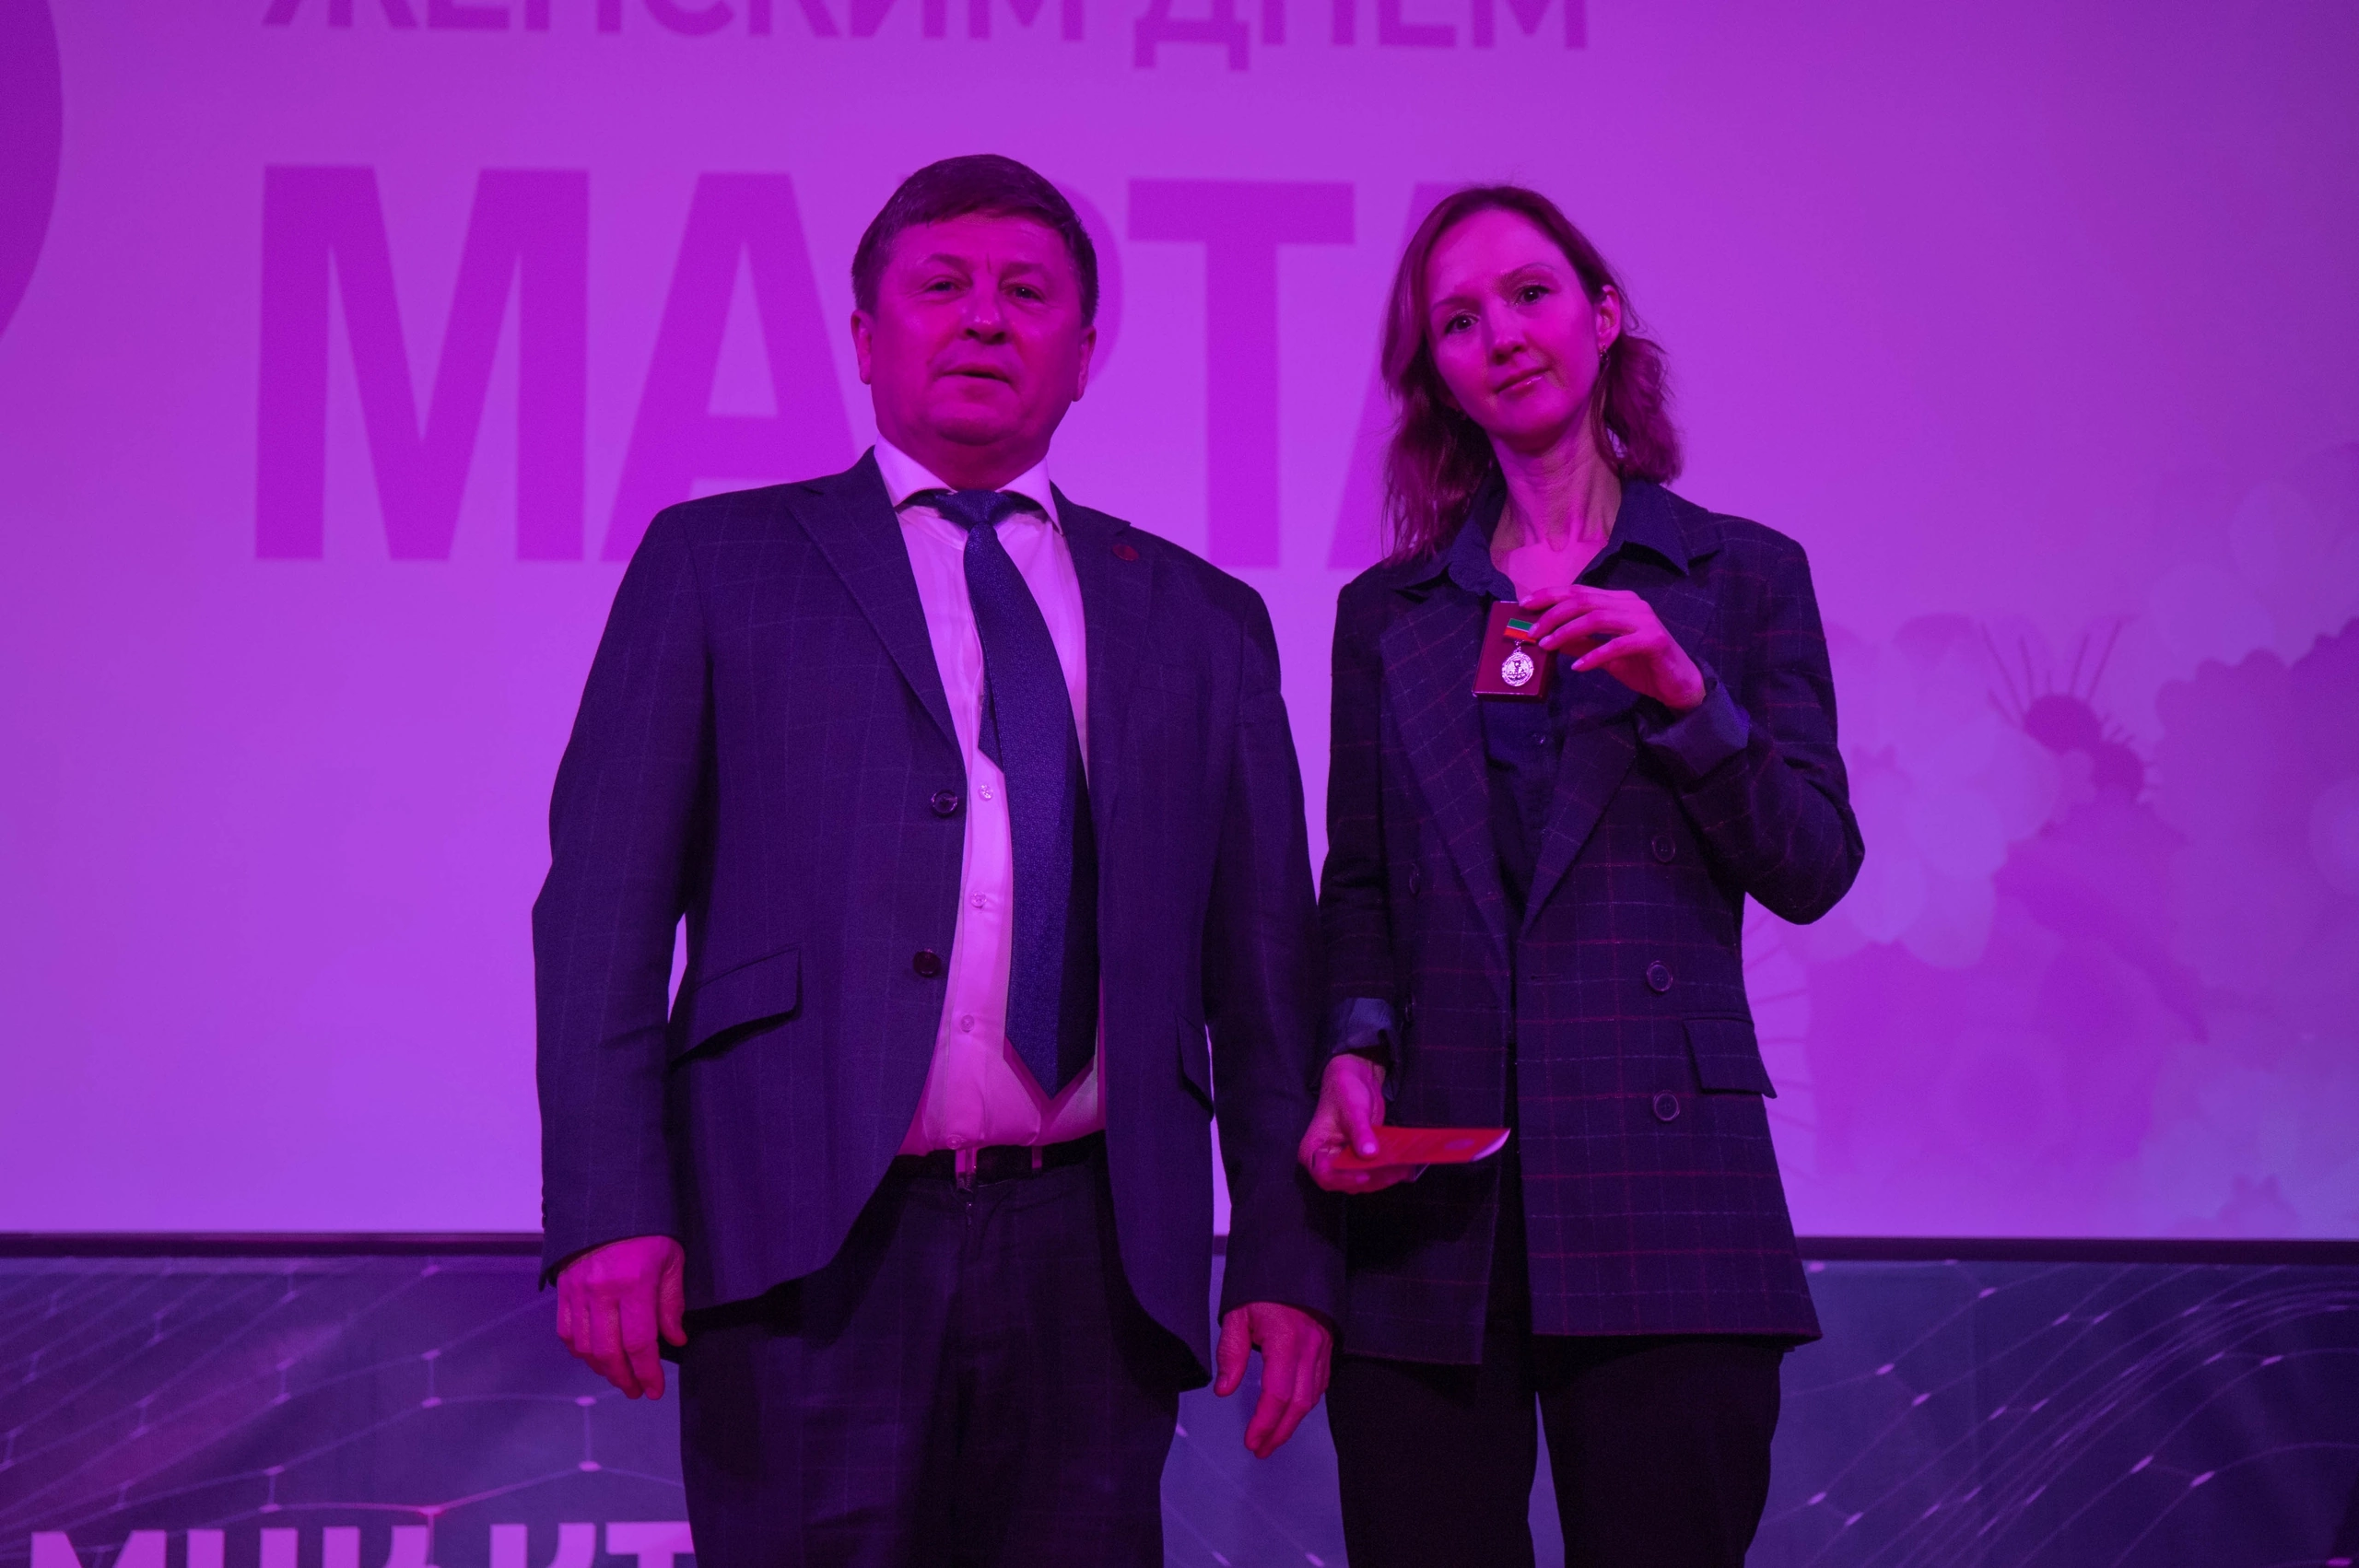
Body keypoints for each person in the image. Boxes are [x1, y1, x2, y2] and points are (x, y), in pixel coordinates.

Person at [534, 154, 1341, 1568]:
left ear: (1083, 353)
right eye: (942, 285)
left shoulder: (1201, 618)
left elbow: (1265, 974)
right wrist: (608, 1206)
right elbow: (603, 909)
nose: (983, 317)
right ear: (864, 337)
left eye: (1027, 293)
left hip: (1097, 1255)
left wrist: (1281, 1246)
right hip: (802, 1243)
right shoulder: (720, 562)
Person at [1299, 184, 1865, 1567]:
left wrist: (1688, 695)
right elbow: (1361, 882)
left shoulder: (1737, 578)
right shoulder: (1391, 614)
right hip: (1439, 1205)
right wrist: (1354, 1046)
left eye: (1531, 295)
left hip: (1669, 1199)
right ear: (1436, 374)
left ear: (1604, 316)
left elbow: (1813, 863)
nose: (1501, 334)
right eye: (1457, 322)